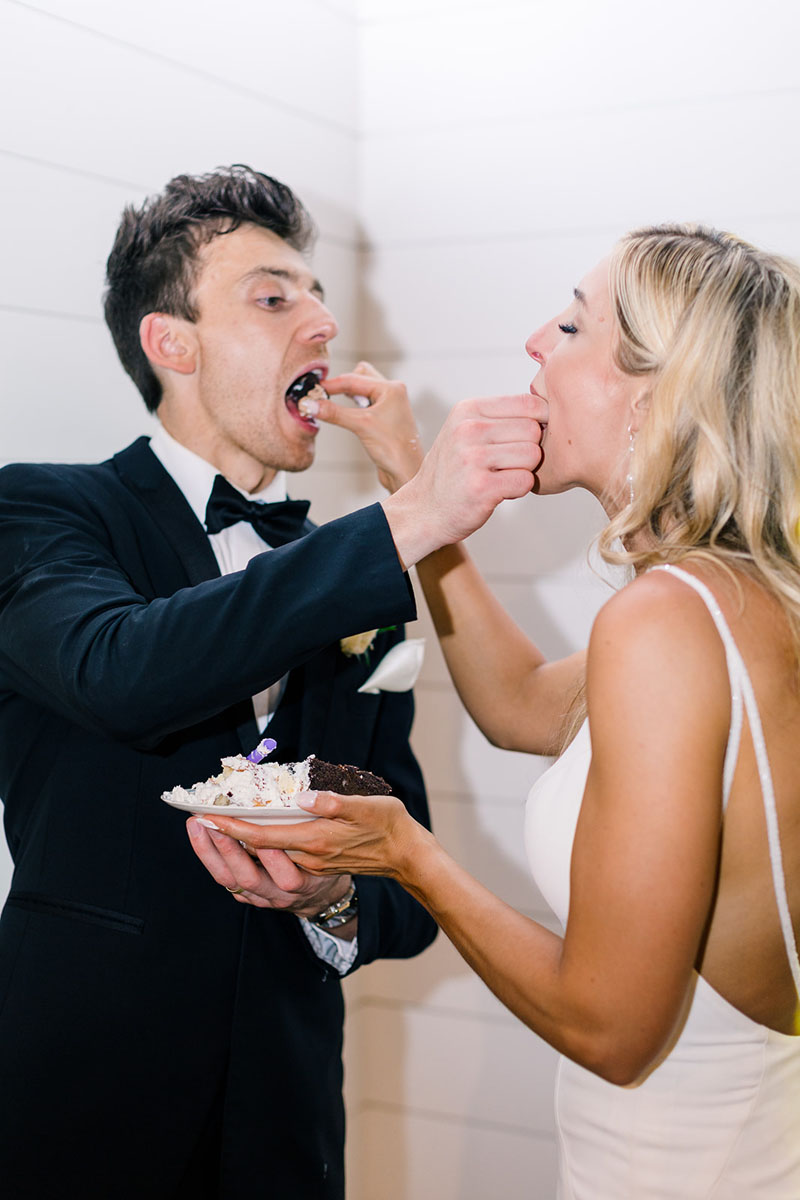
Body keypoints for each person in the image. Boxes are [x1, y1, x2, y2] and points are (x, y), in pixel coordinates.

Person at [191, 225, 800, 1198]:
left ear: (655, 390)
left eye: (569, 325)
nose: (532, 344)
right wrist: (412, 477)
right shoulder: (740, 600)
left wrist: (406, 855)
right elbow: (518, 706)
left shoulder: (663, 624)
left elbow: (610, 1028)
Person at [0, 165, 541, 1199]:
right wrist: (409, 518)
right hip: (78, 1114)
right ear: (173, 342)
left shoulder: (360, 578)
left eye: (319, 295)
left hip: (286, 1126)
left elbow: (406, 876)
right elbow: (116, 671)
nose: (322, 323)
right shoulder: (39, 510)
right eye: (274, 296)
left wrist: (336, 898)